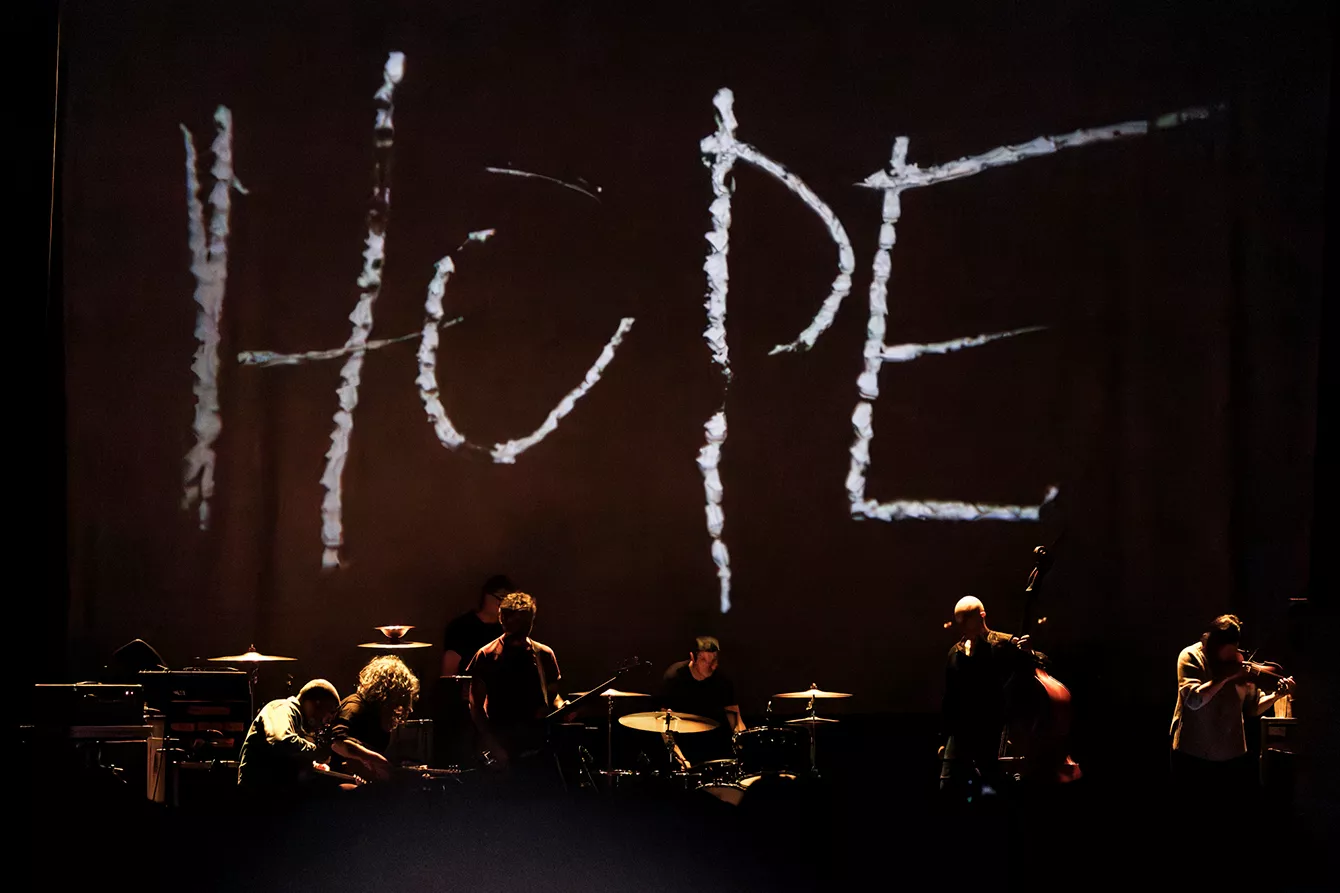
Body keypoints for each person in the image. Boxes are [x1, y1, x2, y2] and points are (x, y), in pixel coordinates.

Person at [1170, 614, 1295, 808]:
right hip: (1194, 757)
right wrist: (1225, 677)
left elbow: (1254, 707)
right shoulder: (1191, 657)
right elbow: (1193, 700)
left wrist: (1277, 695)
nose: (1233, 656)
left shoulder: (1238, 664)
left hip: (1231, 758)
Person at [939, 596, 1033, 800]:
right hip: (961, 732)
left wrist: (1029, 652)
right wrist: (944, 737)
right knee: (948, 787)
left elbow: (1035, 666)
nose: (963, 625)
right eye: (960, 620)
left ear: (982, 616)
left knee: (992, 788)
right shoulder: (955, 653)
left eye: (967, 619)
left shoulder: (1003, 644)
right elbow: (950, 697)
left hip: (990, 730)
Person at [466, 592, 564, 772]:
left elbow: (553, 695)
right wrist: (493, 746)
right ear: (502, 619)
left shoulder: (543, 654)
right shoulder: (487, 655)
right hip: (502, 745)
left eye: (525, 623)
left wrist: (561, 706)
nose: (521, 629)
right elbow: (475, 706)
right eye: (515, 622)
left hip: (537, 747)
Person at [236, 679, 341, 795]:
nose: (328, 721)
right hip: (259, 793)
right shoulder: (282, 708)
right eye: (330, 711)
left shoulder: (298, 721)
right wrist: (315, 751)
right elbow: (280, 740)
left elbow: (285, 756)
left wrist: (312, 765)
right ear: (316, 703)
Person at [328, 655, 421, 782]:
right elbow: (338, 743)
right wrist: (378, 760)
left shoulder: (379, 714)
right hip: (337, 783)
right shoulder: (354, 706)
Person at [660, 636, 744, 769]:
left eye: (714, 660)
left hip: (717, 750)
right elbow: (663, 724)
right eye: (705, 660)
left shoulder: (723, 681)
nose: (712, 666)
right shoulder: (675, 677)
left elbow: (736, 721)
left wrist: (745, 745)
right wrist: (679, 757)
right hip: (685, 750)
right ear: (692, 658)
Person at [441, 575, 513, 678]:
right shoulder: (461, 627)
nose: (503, 604)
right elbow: (448, 673)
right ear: (486, 596)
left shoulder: (508, 629)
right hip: (470, 685)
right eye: (501, 598)